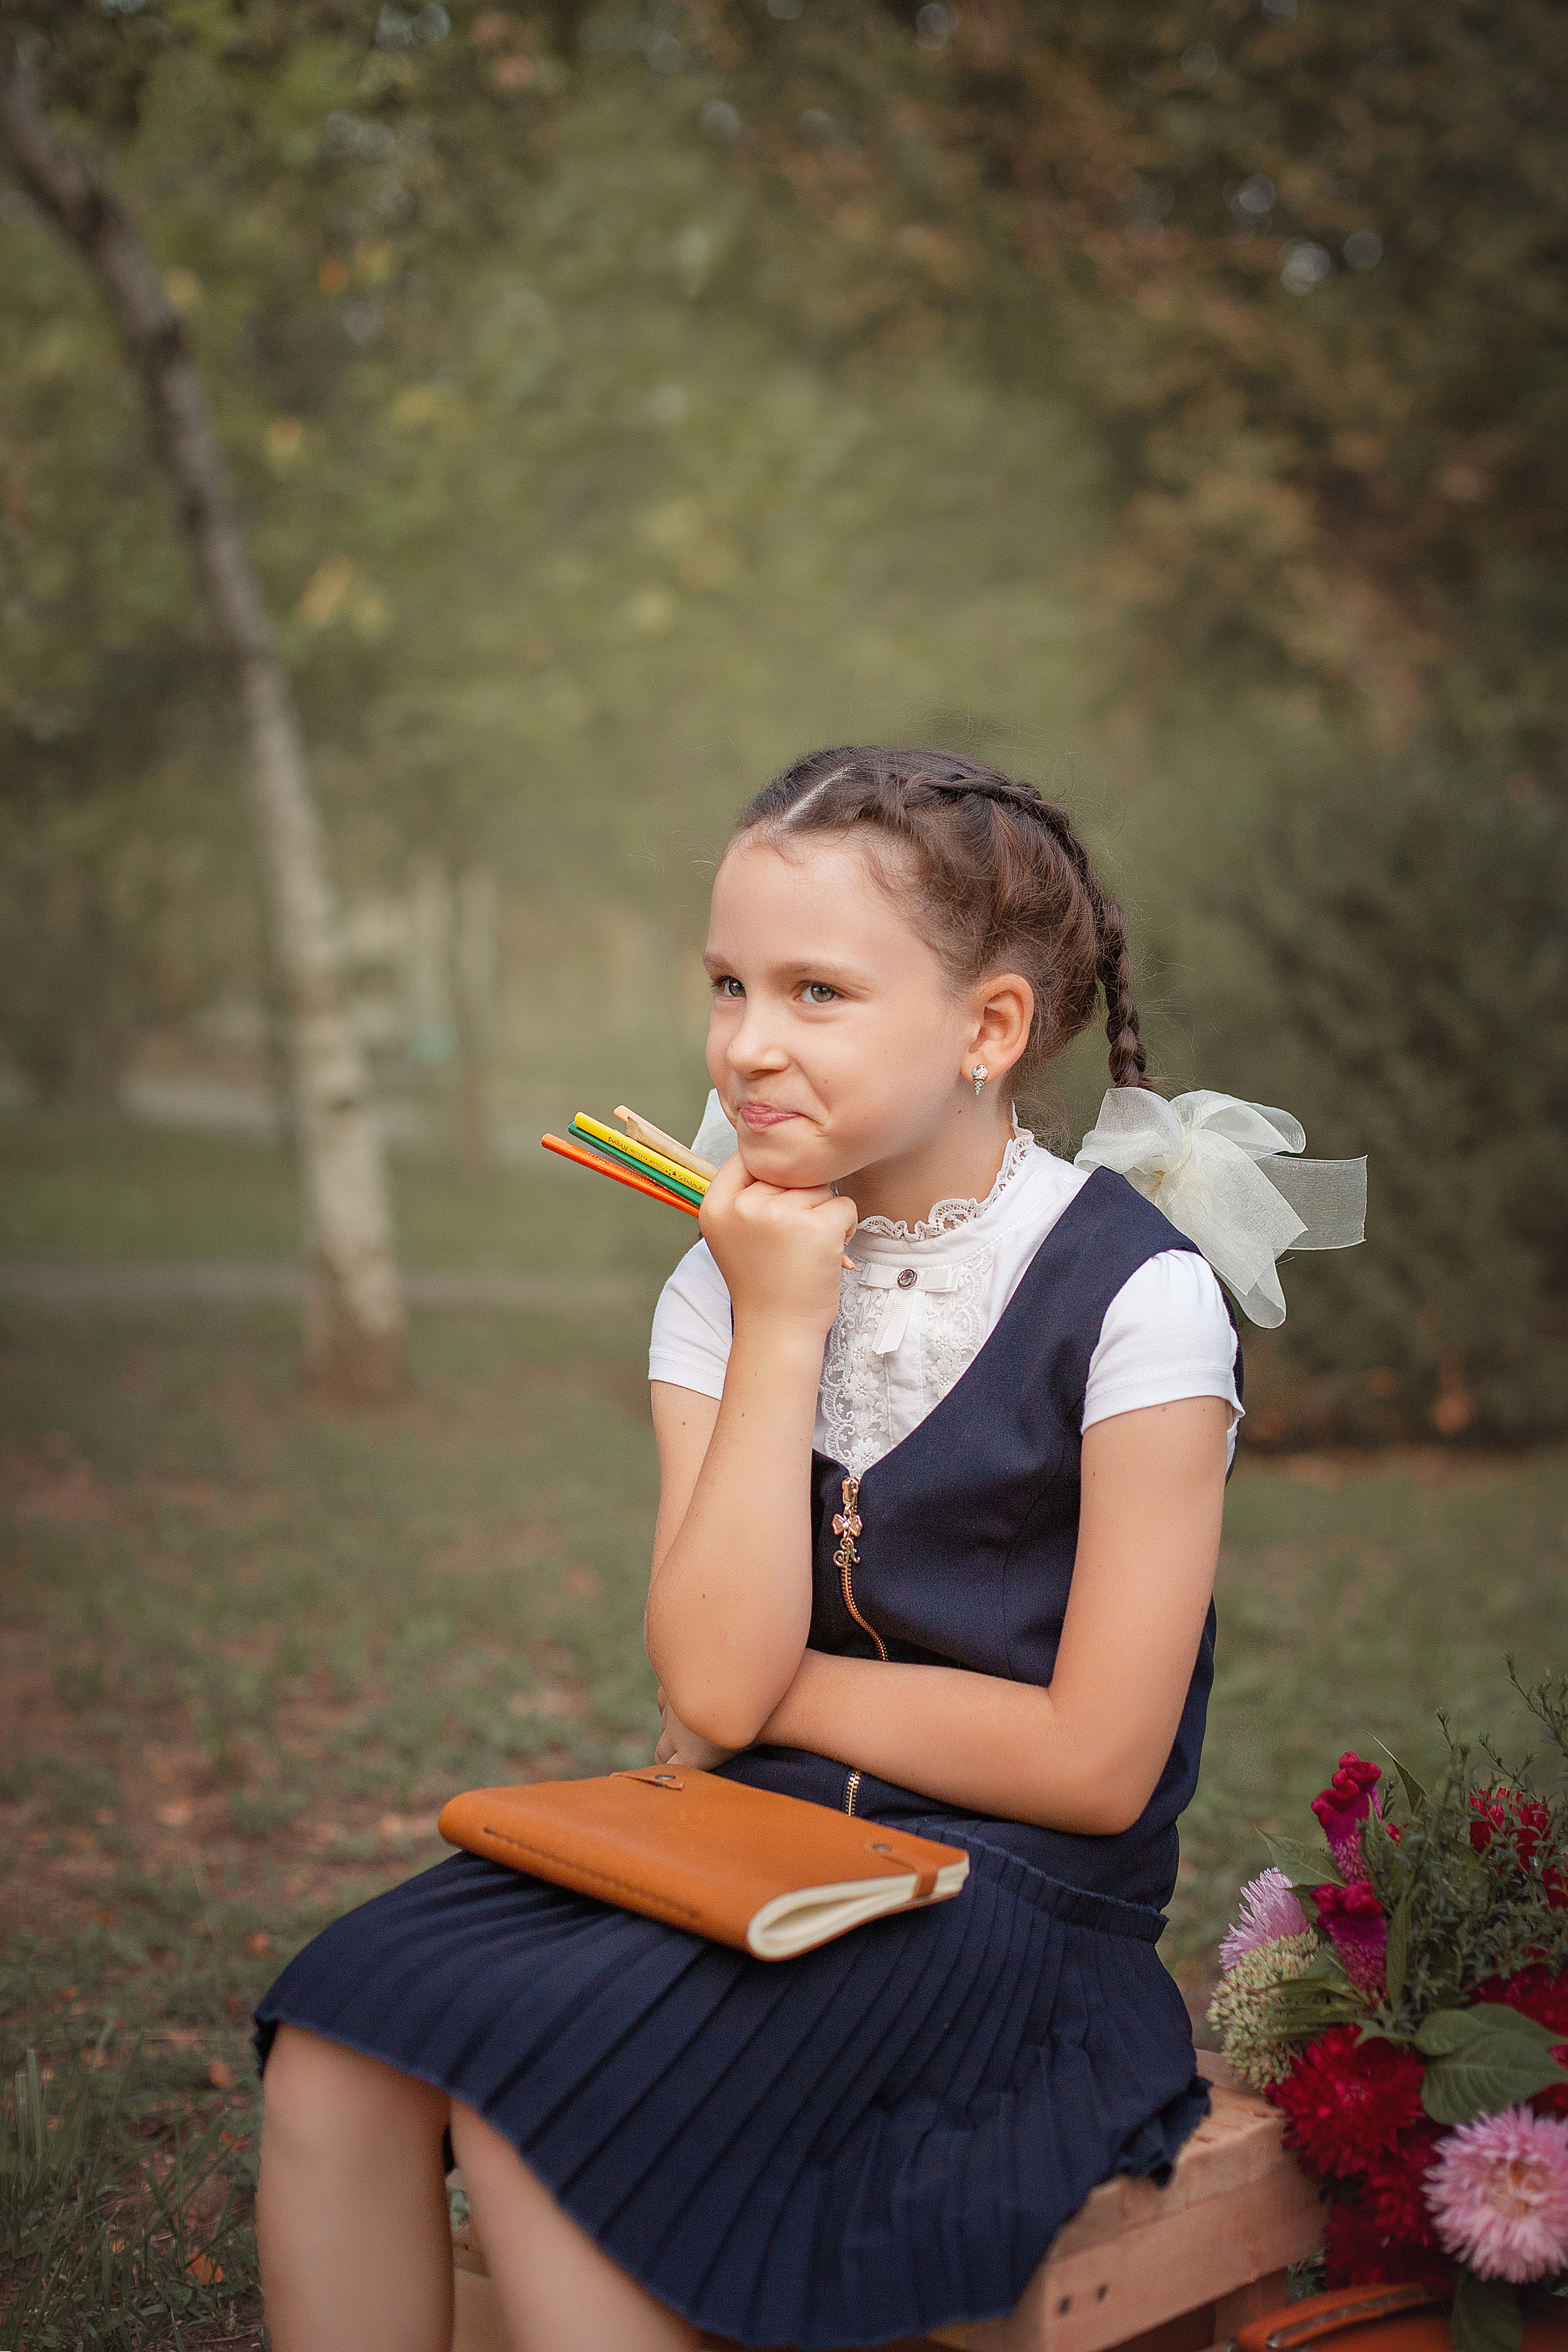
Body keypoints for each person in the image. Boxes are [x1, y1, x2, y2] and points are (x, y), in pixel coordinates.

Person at [254, 747, 1249, 2352]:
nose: (748, 1046)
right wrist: (782, 1320)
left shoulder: (1137, 1300)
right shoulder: (727, 1279)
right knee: (334, 2038)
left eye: (816, 993)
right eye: (727, 985)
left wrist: (773, 1699)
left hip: (1008, 1913)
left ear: (989, 1029)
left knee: (542, 2109)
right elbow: (708, 1692)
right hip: (740, 1847)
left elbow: (1092, 1765)